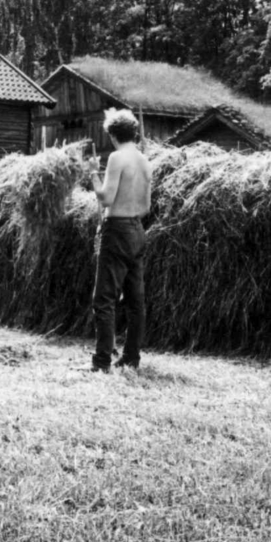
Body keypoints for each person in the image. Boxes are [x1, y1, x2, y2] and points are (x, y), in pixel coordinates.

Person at [87, 109, 153, 372]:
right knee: (136, 301)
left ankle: (102, 361)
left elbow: (105, 198)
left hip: (117, 230)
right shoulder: (145, 160)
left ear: (112, 135)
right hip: (138, 229)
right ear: (134, 133)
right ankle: (131, 357)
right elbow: (146, 207)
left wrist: (93, 173)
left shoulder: (116, 157)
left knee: (104, 298)